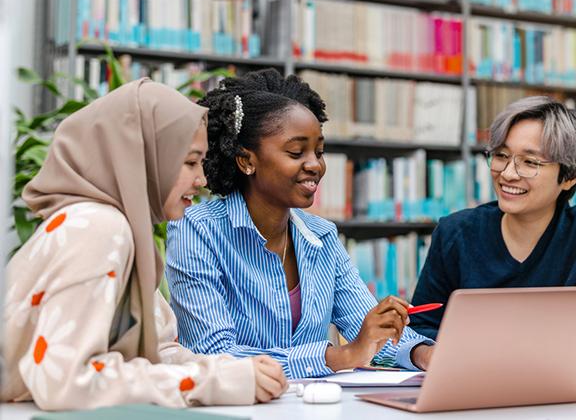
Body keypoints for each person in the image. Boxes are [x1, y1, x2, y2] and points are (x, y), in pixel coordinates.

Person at [2, 79, 286, 411]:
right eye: (190, 162)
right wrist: (215, 382)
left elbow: (157, 353)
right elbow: (66, 381)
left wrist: (231, 372)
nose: (202, 180)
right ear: (144, 157)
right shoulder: (99, 228)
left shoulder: (124, 232)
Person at [166, 69, 435, 378]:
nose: (315, 165)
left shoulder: (322, 236)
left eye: (319, 152)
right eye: (296, 152)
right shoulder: (196, 230)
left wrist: (424, 353)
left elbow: (367, 330)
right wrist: (340, 355)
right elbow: (215, 354)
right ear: (246, 160)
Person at [410, 96, 576, 340]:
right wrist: (426, 353)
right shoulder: (455, 231)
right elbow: (421, 327)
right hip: (475, 376)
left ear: (569, 177)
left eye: (530, 162)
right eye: (501, 156)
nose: (508, 174)